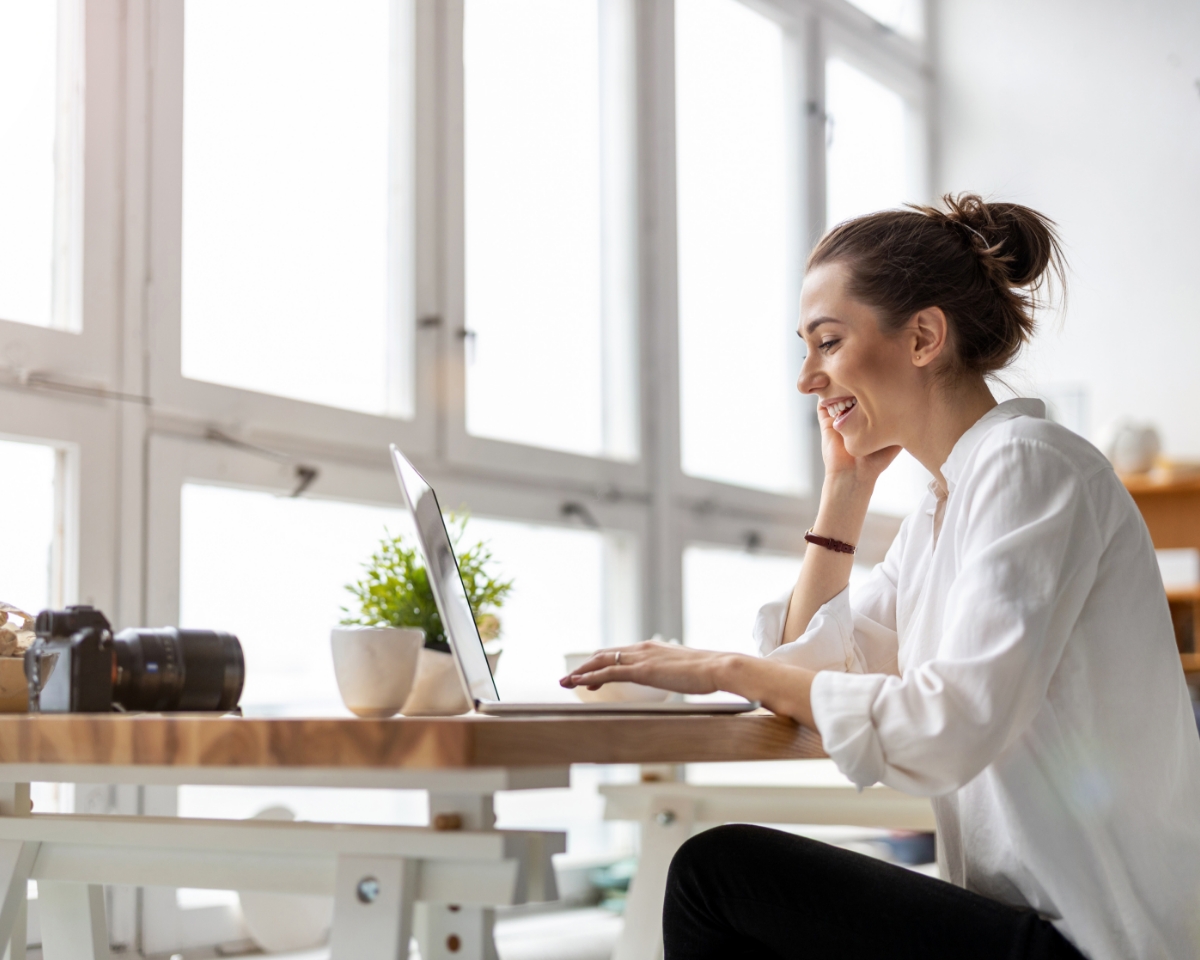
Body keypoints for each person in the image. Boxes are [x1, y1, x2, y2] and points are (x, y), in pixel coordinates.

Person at [561, 194, 1200, 960]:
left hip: (1097, 944)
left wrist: (720, 667)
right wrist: (846, 492)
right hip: (1028, 928)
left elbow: (949, 723)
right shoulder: (945, 509)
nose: (807, 379)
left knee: (716, 875)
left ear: (925, 336)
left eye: (826, 342)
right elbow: (806, 658)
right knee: (723, 878)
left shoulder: (1030, 464)